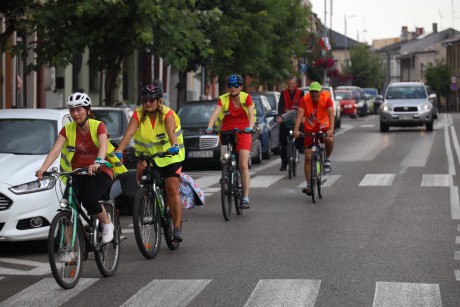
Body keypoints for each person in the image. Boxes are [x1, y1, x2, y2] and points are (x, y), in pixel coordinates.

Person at [36, 92, 127, 244]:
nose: (75, 113)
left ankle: (107, 224)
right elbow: (55, 150)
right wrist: (42, 169)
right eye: (72, 110)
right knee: (67, 204)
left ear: (88, 111)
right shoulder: (68, 129)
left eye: (79, 109)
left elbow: (103, 146)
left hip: (101, 170)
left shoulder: (98, 126)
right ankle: (69, 249)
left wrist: (98, 162)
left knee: (89, 199)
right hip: (78, 172)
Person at [115, 84, 185, 242]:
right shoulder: (138, 114)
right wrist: (119, 150)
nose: (148, 103)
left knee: (172, 188)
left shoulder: (168, 114)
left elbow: (171, 132)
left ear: (159, 101)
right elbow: (129, 133)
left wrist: (174, 146)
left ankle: (177, 227)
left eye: (151, 100)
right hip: (147, 156)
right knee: (141, 180)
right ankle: (148, 198)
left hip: (170, 156)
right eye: (145, 100)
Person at [206, 74, 255, 209]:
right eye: (230, 86)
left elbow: (251, 114)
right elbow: (215, 114)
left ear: (240, 86)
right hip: (227, 131)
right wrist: (210, 127)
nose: (233, 88)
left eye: (236, 86)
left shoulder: (246, 98)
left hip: (244, 132)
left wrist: (250, 127)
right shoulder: (223, 99)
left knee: (243, 164)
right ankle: (226, 173)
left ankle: (245, 197)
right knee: (224, 158)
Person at [293, 81, 334, 196]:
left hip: (324, 128)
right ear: (309, 92)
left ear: (321, 92)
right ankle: (309, 185)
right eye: (312, 92)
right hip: (310, 130)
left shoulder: (327, 99)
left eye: (316, 92)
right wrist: (296, 130)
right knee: (308, 156)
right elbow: (299, 115)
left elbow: (331, 115)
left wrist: (330, 129)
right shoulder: (304, 100)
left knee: (329, 139)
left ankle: (326, 159)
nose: (314, 94)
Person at [276, 76, 304, 171]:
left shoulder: (301, 93)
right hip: (286, 120)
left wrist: (301, 116)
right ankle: (284, 163)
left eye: (292, 84)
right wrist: (280, 117)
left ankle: (300, 148)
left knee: (301, 131)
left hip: (297, 118)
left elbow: (303, 105)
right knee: (283, 142)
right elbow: (280, 106)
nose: (290, 85)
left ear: (296, 84)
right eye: (289, 84)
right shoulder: (283, 93)